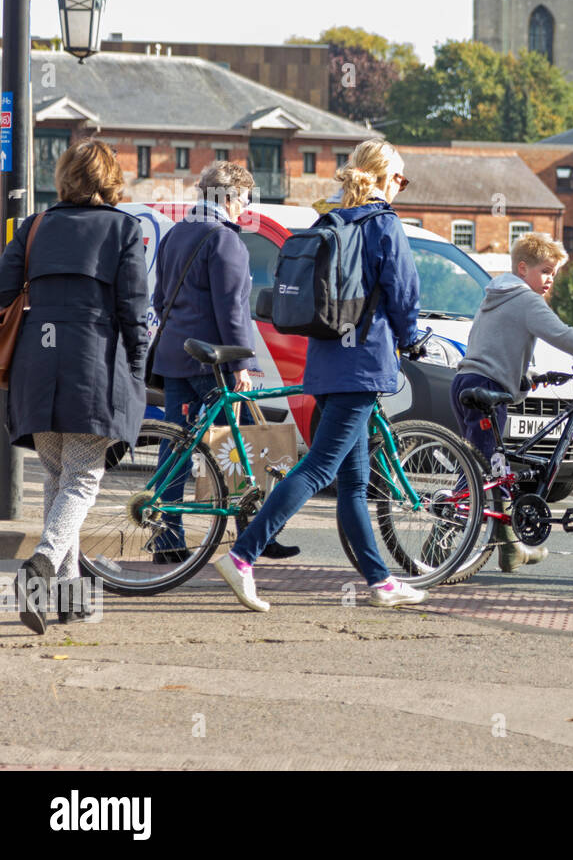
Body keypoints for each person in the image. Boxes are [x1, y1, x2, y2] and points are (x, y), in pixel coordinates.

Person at [212, 139, 427, 611]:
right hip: (362, 366)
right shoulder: (384, 225)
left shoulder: (329, 220)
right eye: (400, 178)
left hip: (326, 362)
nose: (401, 187)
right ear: (384, 178)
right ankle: (243, 555)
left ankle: (379, 582)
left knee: (353, 480)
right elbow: (404, 293)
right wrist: (412, 338)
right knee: (320, 469)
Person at [1, 139, 149, 633]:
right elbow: (133, 312)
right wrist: (139, 369)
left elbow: (4, 293)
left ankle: (68, 598)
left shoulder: (34, 226)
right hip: (94, 365)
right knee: (83, 478)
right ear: (110, 180)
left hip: (35, 366)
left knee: (58, 477)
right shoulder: (124, 229)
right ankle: (42, 565)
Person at [452, 232, 573, 572]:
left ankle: (506, 548)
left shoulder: (495, 295)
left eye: (555, 272)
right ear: (523, 268)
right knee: (489, 473)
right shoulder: (527, 301)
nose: (551, 279)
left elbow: (491, 343)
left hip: (468, 382)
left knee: (484, 467)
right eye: (546, 270)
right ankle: (448, 547)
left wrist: (524, 378)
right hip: (487, 386)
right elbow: (564, 336)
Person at [150, 161, 298, 562]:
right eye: (245, 200)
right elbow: (232, 309)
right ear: (230, 197)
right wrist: (240, 368)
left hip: (175, 358)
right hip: (213, 363)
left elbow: (159, 299)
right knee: (250, 443)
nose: (244, 209)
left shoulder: (176, 232)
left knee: (176, 449)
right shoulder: (225, 240)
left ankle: (166, 541)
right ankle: (257, 535)